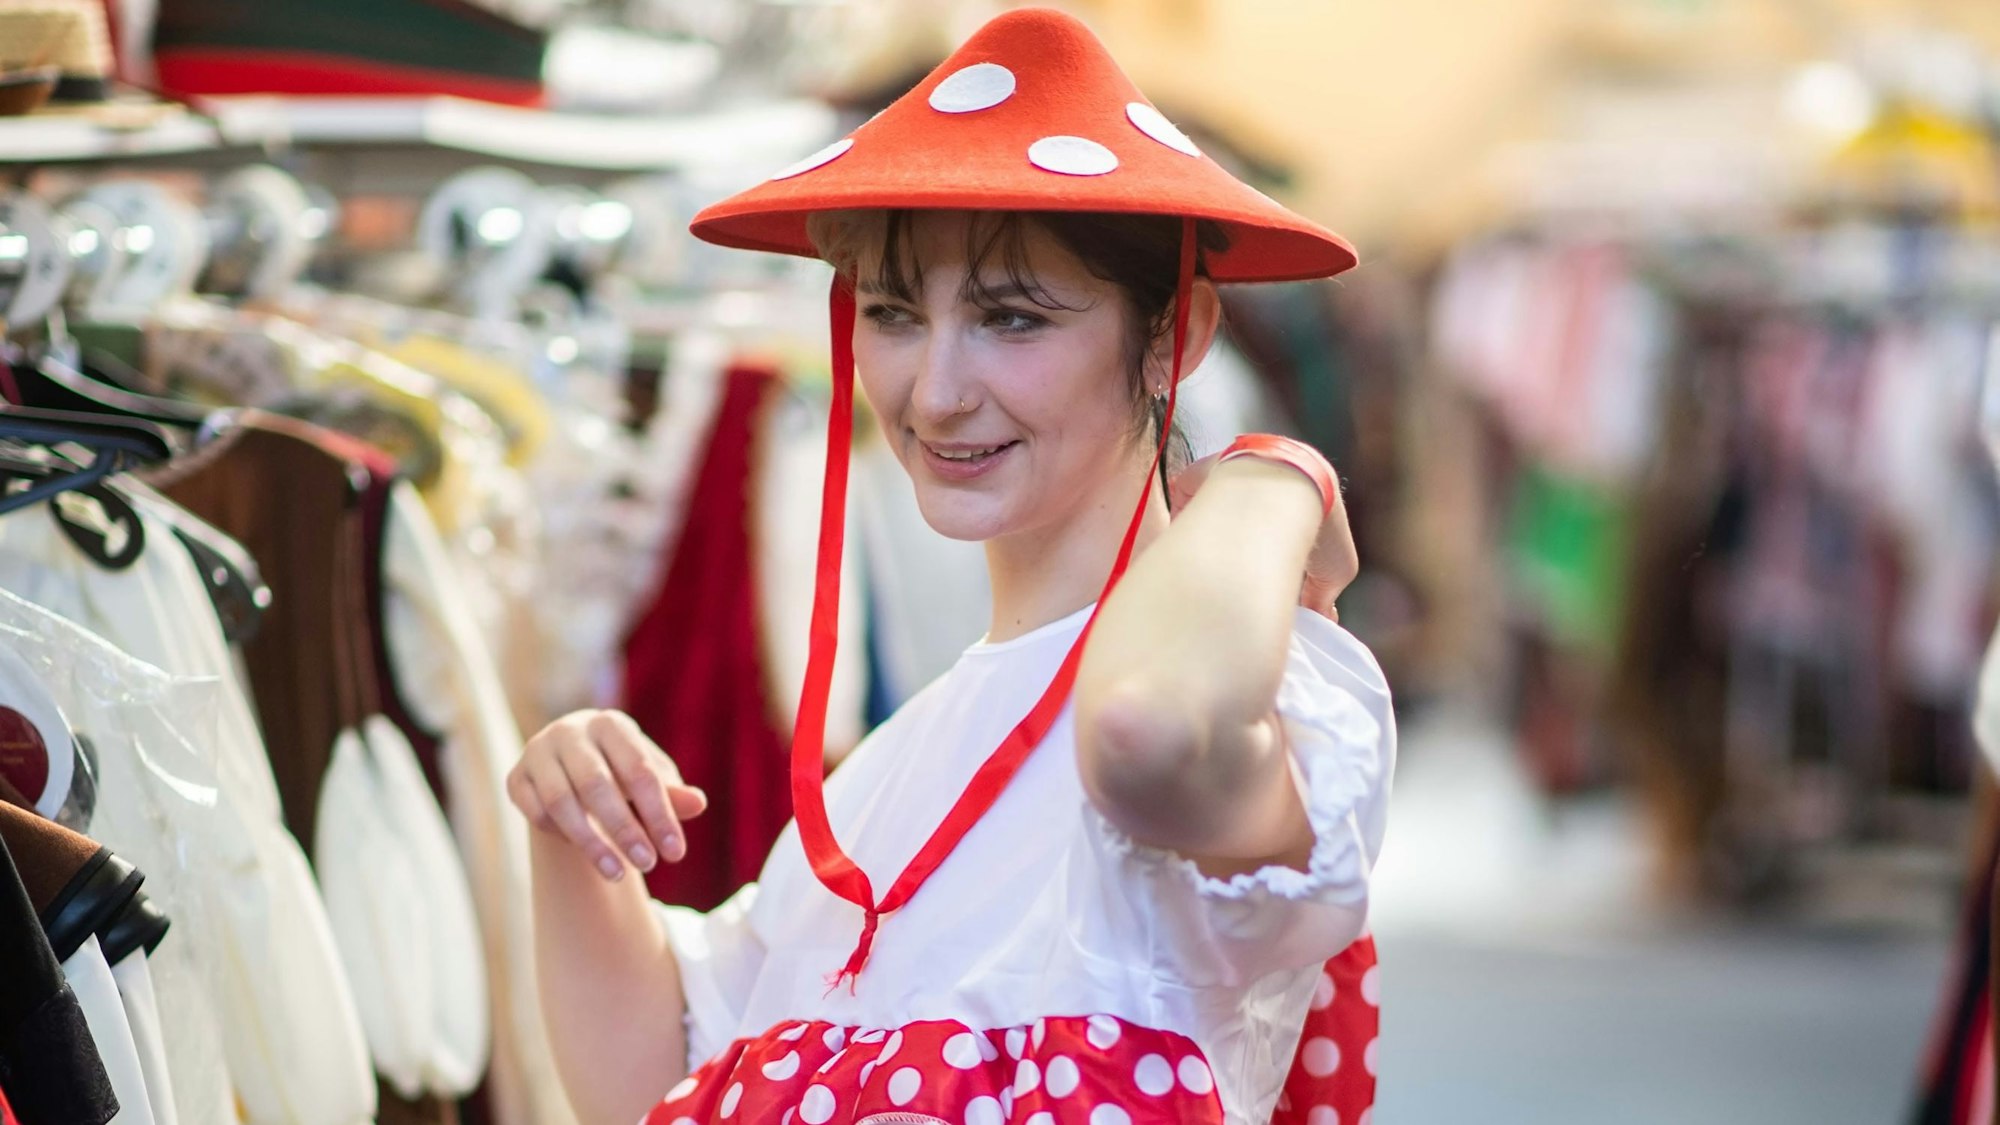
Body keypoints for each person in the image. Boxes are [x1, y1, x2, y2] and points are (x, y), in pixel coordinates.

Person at [506, 9, 1394, 1124]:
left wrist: (1276, 475)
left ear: (1174, 337)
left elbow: (1152, 735)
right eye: (890, 313)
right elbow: (654, 1082)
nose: (932, 394)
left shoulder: (1275, 697)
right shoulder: (889, 767)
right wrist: (572, 823)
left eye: (1010, 319)